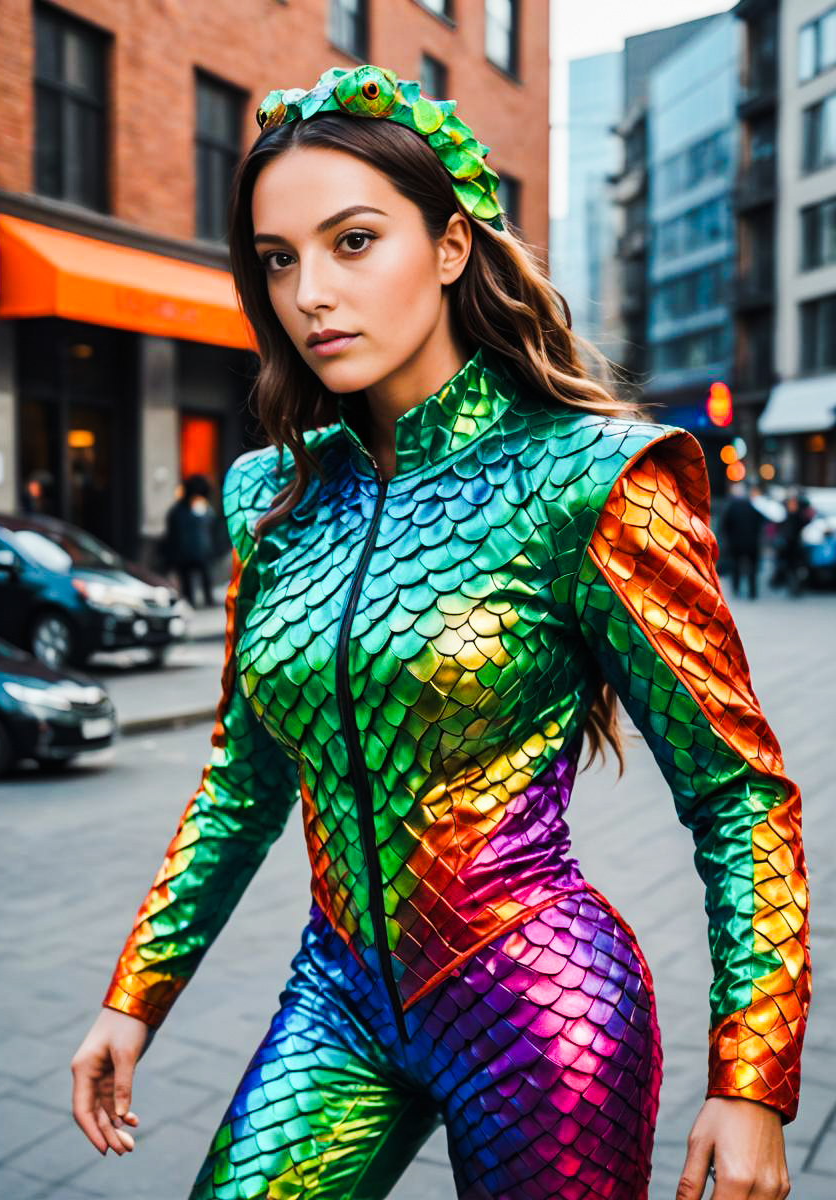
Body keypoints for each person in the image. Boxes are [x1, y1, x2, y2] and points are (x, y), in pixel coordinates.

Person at [70, 64, 811, 1200]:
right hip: (337, 996)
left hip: (540, 1008)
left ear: (452, 247)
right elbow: (239, 780)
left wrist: (750, 1078)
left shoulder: (586, 477)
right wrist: (135, 995)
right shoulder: (275, 494)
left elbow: (735, 793)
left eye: (352, 241)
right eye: (278, 258)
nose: (309, 292)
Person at [162, 474, 217, 608]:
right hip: (186, 552)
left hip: (199, 551)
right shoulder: (178, 511)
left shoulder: (199, 508)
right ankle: (192, 601)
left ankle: (205, 599)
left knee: (204, 576)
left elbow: (211, 525)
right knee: (188, 579)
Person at [720, 480, 767, 599]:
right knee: (752, 568)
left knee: (735, 566)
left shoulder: (732, 507)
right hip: (752, 542)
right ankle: (752, 592)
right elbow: (761, 523)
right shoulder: (753, 507)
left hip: (736, 543)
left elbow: (725, 525)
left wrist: (728, 539)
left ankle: (736, 589)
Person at [772, 493, 813, 598]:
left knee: (797, 569)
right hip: (787, 549)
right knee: (788, 568)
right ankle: (789, 586)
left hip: (796, 549)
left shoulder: (799, 517)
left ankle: (796, 588)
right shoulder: (784, 516)